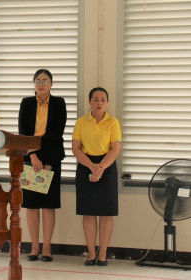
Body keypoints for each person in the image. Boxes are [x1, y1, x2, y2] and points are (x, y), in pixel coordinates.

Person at [18, 69, 67, 262]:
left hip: (52, 159)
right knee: (31, 205)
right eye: (37, 80)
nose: (41, 84)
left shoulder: (59, 103)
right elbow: (23, 131)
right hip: (31, 158)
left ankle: (47, 246)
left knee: (48, 206)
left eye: (45, 81)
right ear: (33, 84)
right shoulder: (26, 103)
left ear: (51, 84)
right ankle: (34, 246)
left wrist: (42, 156)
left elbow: (57, 132)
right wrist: (33, 155)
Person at [72, 87, 122, 266]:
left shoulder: (113, 122)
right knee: (89, 212)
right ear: (89, 102)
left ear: (107, 102)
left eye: (102, 99)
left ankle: (103, 254)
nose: (99, 103)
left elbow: (115, 149)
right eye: (95, 99)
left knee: (106, 213)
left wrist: (99, 169)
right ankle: (91, 254)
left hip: (107, 166)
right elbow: (76, 148)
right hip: (86, 165)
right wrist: (91, 167)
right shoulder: (80, 122)